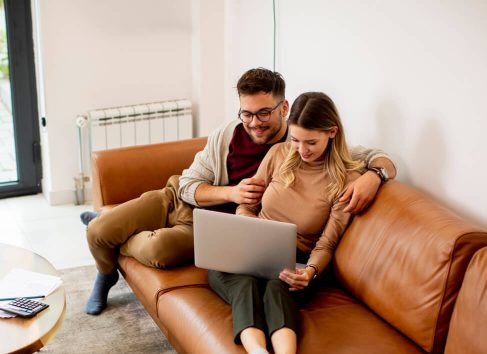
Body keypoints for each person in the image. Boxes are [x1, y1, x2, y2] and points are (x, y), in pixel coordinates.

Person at [82, 68, 396, 315]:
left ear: (283, 108)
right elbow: (189, 184)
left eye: (263, 113)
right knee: (98, 230)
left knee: (156, 250)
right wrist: (232, 194)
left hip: (212, 226)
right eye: (246, 113)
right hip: (178, 196)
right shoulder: (228, 134)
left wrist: (376, 175)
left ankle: (114, 242)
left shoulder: (300, 141)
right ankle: (106, 270)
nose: (254, 122)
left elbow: (368, 156)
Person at [208, 91, 367, 354]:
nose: (301, 150)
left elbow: (326, 244)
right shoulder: (279, 155)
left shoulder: (346, 179)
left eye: (311, 142)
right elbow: (248, 205)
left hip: (296, 257)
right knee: (239, 281)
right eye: (295, 140)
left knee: (275, 288)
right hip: (251, 242)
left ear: (331, 133)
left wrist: (310, 273)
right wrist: (245, 222)